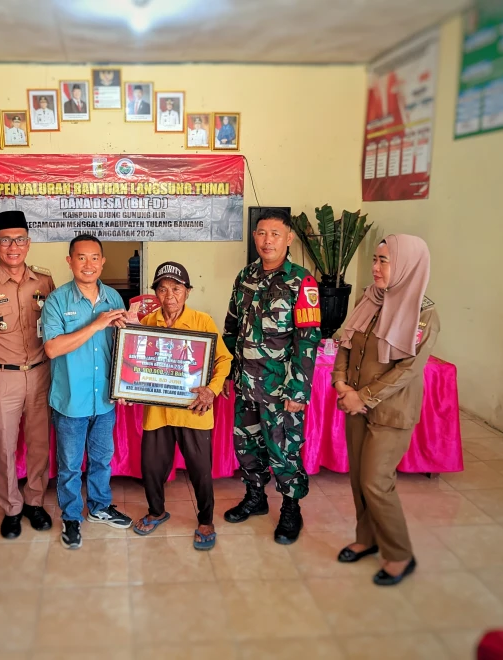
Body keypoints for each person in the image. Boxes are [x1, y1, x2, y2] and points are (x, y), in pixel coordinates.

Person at [332, 234, 439, 586]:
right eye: (375, 260)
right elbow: (347, 342)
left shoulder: (423, 313)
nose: (375, 268)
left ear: (406, 265)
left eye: (384, 261)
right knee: (359, 478)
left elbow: (407, 369)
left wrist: (363, 396)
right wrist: (340, 382)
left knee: (376, 481)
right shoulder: (370, 299)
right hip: (355, 404)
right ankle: (367, 539)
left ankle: (399, 553)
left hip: (391, 411)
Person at [222, 208, 321, 545]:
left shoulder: (301, 282)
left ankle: (291, 509)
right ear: (255, 237)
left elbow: (308, 340)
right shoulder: (245, 276)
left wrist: (298, 390)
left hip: (281, 388)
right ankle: (256, 497)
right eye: (262, 233)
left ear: (288, 238)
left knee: (284, 450)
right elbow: (231, 329)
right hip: (246, 384)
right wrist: (228, 373)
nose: (267, 240)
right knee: (246, 445)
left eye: (275, 234)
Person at [129, 262, 232, 550]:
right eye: (162, 289)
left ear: (188, 292)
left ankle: (206, 520)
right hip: (158, 411)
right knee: (151, 467)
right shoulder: (148, 322)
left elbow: (224, 359)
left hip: (193, 411)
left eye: (176, 289)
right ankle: (156, 512)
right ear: (155, 294)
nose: (169, 296)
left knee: (200, 470)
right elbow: (135, 361)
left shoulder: (202, 321)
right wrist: (128, 385)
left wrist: (211, 390)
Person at [0, 210, 55, 539]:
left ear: (28, 243)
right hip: (2, 377)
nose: (13, 247)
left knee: (39, 443)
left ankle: (34, 501)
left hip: (41, 373)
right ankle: (12, 507)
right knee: (4, 446)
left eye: (19, 240)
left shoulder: (44, 281)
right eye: (5, 241)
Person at [41, 234, 133, 549]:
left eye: (94, 257)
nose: (88, 264)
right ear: (70, 261)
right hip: (71, 400)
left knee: (101, 459)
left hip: (105, 399)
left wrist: (126, 383)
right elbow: (52, 348)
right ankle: (71, 517)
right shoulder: (56, 301)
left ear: (103, 262)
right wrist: (95, 325)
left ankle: (99, 507)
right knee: (69, 465)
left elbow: (123, 347)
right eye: (81, 258)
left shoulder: (114, 299)